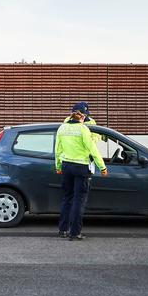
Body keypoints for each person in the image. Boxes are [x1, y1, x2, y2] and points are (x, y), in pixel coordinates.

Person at [55, 102, 108, 241]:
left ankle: (62, 230)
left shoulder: (62, 127)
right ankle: (75, 233)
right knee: (79, 200)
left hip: (66, 166)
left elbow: (58, 150)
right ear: (82, 117)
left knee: (67, 198)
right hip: (81, 166)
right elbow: (93, 149)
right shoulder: (83, 129)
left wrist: (58, 166)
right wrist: (102, 167)